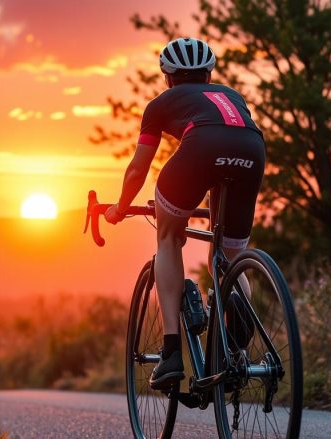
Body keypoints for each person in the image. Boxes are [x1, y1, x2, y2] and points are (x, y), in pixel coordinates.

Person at [104, 37, 265, 390]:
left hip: (200, 149)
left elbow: (138, 169)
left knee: (169, 237)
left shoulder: (161, 103)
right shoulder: (232, 97)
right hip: (252, 150)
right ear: (209, 76)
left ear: (168, 77)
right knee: (231, 254)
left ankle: (172, 352)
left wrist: (118, 207)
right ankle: (237, 349)